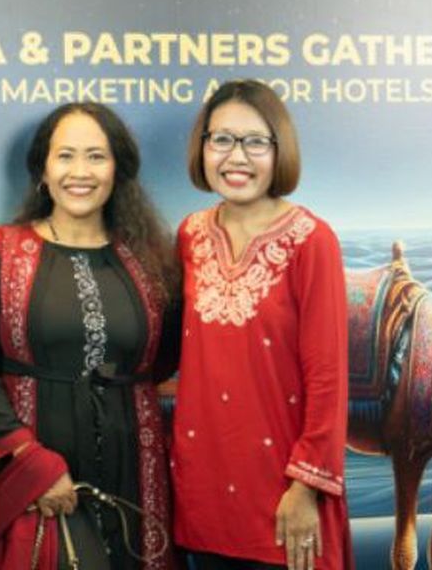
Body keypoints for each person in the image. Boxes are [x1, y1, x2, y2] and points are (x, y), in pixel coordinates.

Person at [0, 102, 179, 570]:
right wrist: (30, 463)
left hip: (135, 472)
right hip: (35, 473)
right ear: (43, 169)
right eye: (65, 156)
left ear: (117, 169)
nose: (80, 172)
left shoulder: (152, 259)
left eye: (96, 156)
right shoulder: (2, 249)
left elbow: (163, 359)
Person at [171, 80, 352, 570]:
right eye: (222, 139)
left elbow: (328, 376)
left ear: (280, 150)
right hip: (205, 490)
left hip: (286, 497)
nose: (237, 157)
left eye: (255, 141)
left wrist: (306, 486)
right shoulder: (191, 235)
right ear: (203, 147)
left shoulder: (311, 240)